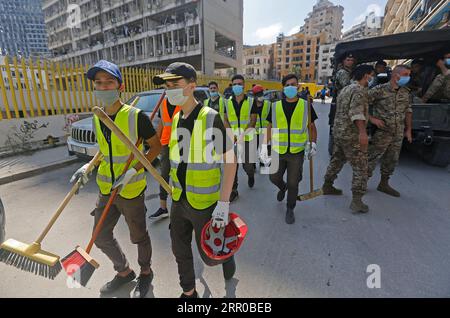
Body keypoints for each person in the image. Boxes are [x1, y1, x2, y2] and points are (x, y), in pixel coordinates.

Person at [70, 60, 162, 298]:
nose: (103, 87)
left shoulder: (136, 116)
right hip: (106, 188)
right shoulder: (98, 116)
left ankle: (145, 271)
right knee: (100, 236)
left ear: (120, 86)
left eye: (109, 82)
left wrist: (134, 169)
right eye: (98, 83)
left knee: (138, 236)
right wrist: (87, 168)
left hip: (131, 190)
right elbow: (104, 151)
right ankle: (124, 271)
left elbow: (155, 146)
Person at [153, 62, 237, 298]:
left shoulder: (211, 118)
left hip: (205, 203)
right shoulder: (178, 116)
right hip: (179, 199)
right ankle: (189, 293)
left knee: (210, 258)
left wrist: (223, 203)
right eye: (167, 85)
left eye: (174, 84)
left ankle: (227, 255)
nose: (169, 90)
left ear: (191, 86)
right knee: (179, 249)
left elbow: (231, 161)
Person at [260, 74, 318, 225]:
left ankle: (290, 207)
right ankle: (282, 187)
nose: (291, 87)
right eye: (288, 85)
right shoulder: (275, 106)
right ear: (283, 87)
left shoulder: (306, 106)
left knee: (294, 182)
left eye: (294, 84)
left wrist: (313, 143)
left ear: (298, 86)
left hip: (296, 152)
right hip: (278, 150)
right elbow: (269, 127)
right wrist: (264, 146)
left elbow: (311, 127)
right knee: (274, 177)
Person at [322, 65, 376, 213]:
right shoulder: (359, 90)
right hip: (351, 135)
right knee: (361, 167)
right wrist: (362, 133)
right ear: (366, 76)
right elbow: (356, 113)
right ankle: (357, 201)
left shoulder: (346, 89)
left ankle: (327, 185)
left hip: (339, 132)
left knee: (337, 160)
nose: (372, 78)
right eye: (372, 75)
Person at [367, 65, 413, 197]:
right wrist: (372, 119)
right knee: (372, 158)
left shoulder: (405, 92)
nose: (407, 77)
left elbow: (408, 111)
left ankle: (384, 184)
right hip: (382, 132)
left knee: (392, 160)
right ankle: (361, 184)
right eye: (405, 74)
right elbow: (361, 103)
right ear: (395, 75)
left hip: (398, 133)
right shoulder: (379, 90)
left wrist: (408, 129)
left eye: (409, 74)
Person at [223, 75, 258, 199]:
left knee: (247, 165)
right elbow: (225, 119)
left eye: (240, 84)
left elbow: (253, 121)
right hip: (232, 140)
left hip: (247, 139)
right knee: (232, 166)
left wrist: (242, 136)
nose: (237, 86)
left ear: (244, 85)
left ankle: (250, 175)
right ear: (232, 86)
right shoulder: (227, 102)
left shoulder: (251, 101)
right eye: (235, 84)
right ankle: (233, 190)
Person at [149, 98, 181, 221]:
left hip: (181, 144)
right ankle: (163, 208)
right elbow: (162, 123)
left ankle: (181, 209)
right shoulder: (163, 103)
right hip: (166, 143)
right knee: (163, 176)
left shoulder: (183, 101)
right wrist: (156, 143)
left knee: (180, 176)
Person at [251, 85, 272, 159]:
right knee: (252, 155)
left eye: (261, 94)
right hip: (254, 134)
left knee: (265, 156)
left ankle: (264, 166)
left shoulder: (268, 104)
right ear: (254, 96)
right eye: (258, 94)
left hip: (266, 133)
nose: (260, 96)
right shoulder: (251, 105)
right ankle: (252, 167)